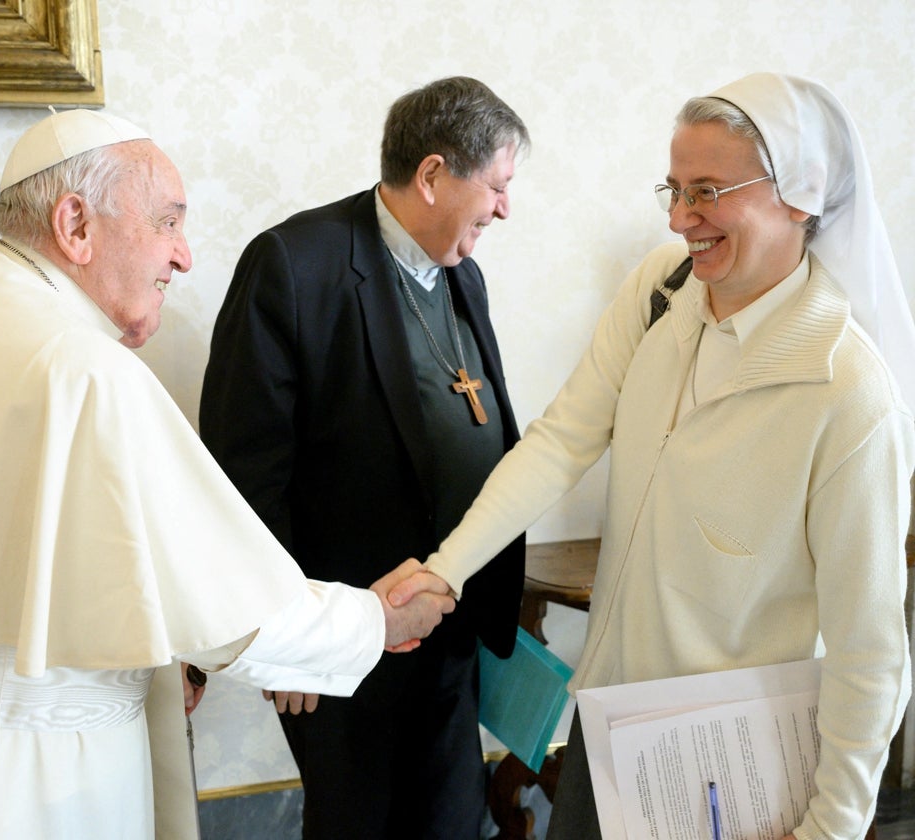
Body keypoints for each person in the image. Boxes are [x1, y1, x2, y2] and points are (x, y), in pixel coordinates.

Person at [0, 109, 456, 840]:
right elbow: (232, 611)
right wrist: (375, 619)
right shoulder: (82, 368)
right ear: (75, 225)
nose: (183, 256)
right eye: (168, 222)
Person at [389, 72, 915, 840]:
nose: (679, 220)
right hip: (614, 726)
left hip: (738, 769)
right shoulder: (660, 292)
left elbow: (871, 650)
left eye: (705, 191)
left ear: (800, 193)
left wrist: (830, 828)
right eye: (671, 190)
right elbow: (562, 439)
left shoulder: (846, 392)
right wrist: (445, 567)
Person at [199, 76, 530, 839]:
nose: (505, 209)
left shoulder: (462, 273)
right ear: (434, 175)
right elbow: (244, 477)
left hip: (444, 631)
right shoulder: (294, 264)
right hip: (344, 644)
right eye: (498, 186)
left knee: (450, 824)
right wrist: (290, 644)